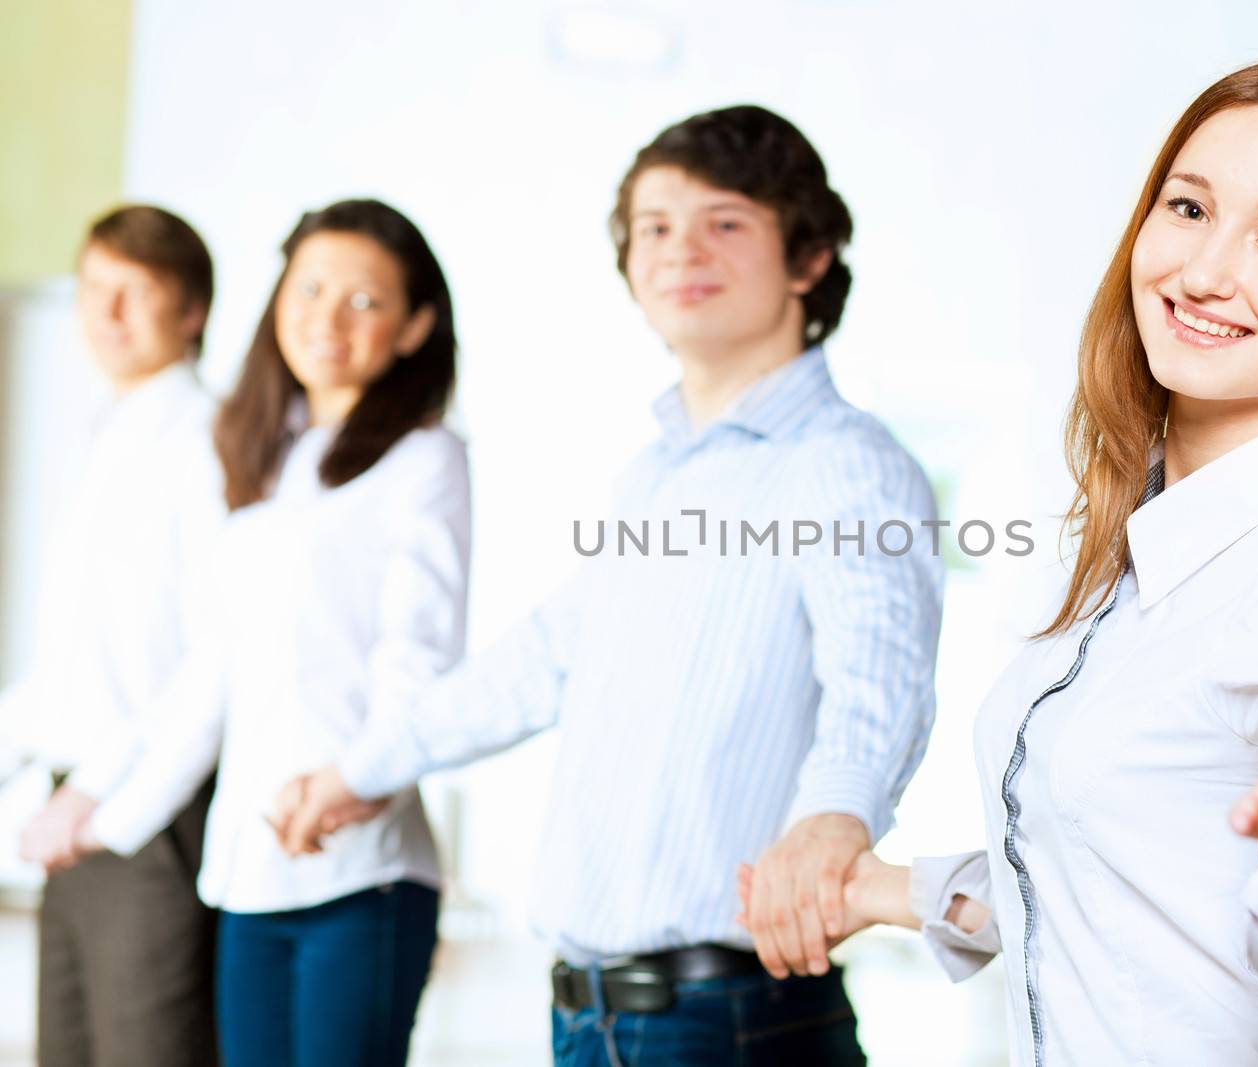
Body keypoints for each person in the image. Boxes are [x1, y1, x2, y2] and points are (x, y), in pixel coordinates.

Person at [742, 61, 1258, 1066]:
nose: (1202, 271)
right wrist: (885, 889)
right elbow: (1124, 879)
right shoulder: (1145, 554)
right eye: (1187, 208)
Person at [276, 105, 944, 1066]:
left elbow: (878, 678)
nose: (680, 251)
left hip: (726, 1020)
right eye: (654, 228)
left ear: (808, 260)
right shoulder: (657, 475)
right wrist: (359, 770)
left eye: (724, 222)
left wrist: (837, 817)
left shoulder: (844, 463)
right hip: (596, 1015)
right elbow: (545, 656)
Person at [70, 199, 468, 1067]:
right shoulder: (259, 456)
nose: (327, 316)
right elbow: (214, 668)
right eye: (310, 286)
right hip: (247, 869)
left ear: (414, 326)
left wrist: (354, 779)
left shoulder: (424, 459)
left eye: (363, 299)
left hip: (360, 869)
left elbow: (419, 656)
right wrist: (109, 810)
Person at [3, 204, 222, 1067]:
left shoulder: (205, 437)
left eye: (135, 291)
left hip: (142, 824)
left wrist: (91, 794)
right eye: (94, 289)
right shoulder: (107, 436)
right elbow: (83, 666)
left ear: (192, 310)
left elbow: (213, 656)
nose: (108, 314)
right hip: (72, 820)